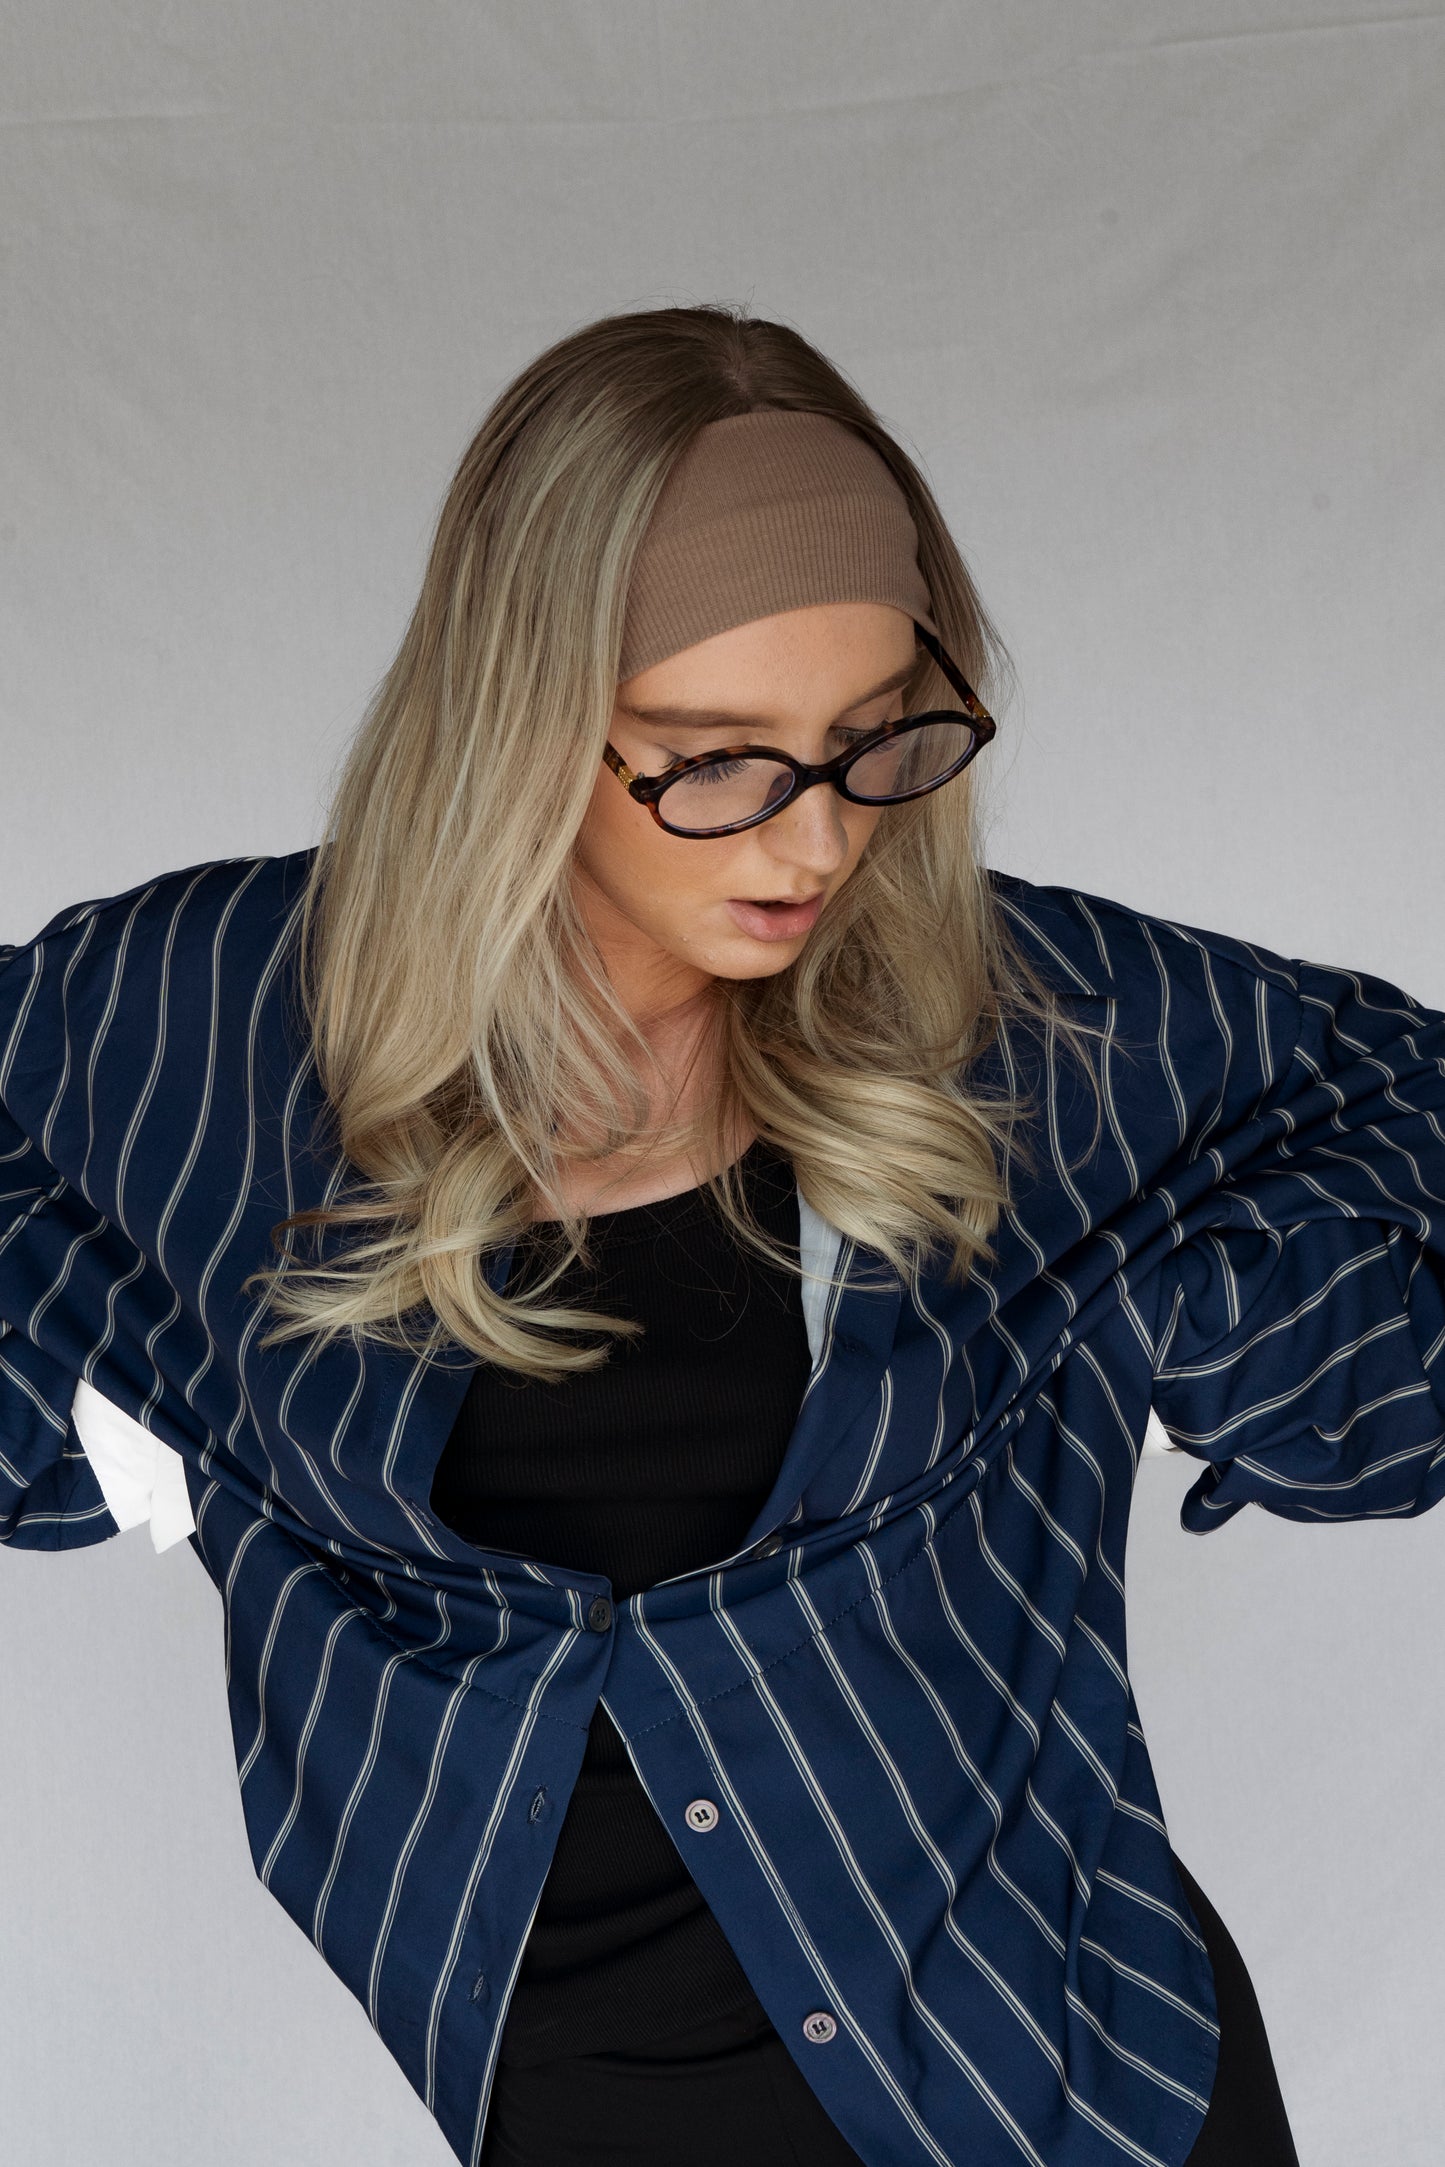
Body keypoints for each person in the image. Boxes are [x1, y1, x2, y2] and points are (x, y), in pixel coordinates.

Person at [2, 303, 1439, 2167]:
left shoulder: (1019, 1025)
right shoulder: (209, 1015)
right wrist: (133, 1419)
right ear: (519, 719)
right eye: (715, 759)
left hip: (1065, 2099)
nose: (818, 842)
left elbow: (1397, 1108)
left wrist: (1198, 1325)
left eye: (873, 740)